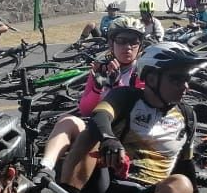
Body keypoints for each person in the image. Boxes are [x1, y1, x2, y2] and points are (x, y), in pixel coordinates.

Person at [59, 43, 207, 193]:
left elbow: (185, 164)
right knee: (90, 135)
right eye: (176, 79)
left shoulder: (187, 115)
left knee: (182, 185)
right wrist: (109, 139)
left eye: (187, 79)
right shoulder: (127, 97)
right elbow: (100, 115)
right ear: (152, 79)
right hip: (108, 186)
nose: (185, 87)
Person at [39, 18, 146, 175]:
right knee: (67, 121)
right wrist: (97, 87)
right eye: (121, 41)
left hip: (126, 133)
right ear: (111, 44)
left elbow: (137, 110)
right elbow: (86, 110)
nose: (128, 47)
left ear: (140, 46)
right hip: (98, 130)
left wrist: (116, 85)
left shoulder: (143, 72)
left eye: (133, 42)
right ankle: (45, 168)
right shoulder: (100, 69)